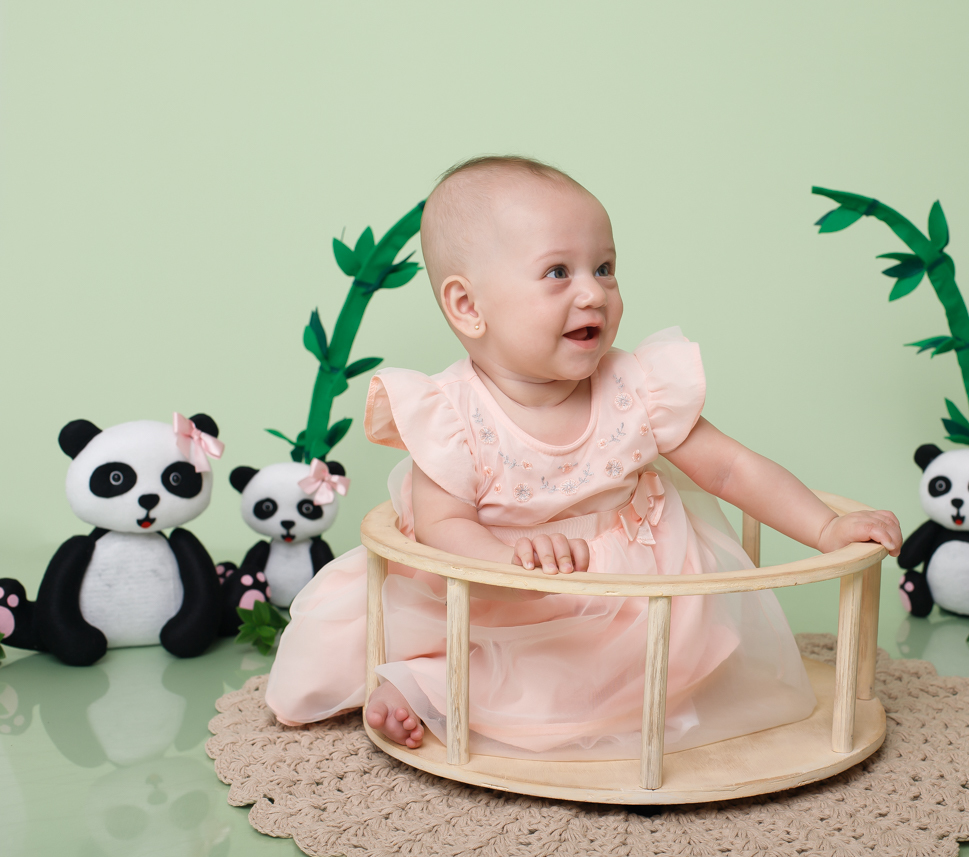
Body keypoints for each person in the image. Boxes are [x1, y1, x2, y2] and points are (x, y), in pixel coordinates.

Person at [264, 156, 902, 760]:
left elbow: (731, 467)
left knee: (654, 667)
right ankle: (424, 683)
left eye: (604, 267)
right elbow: (442, 527)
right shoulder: (451, 416)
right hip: (491, 595)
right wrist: (511, 563)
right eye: (557, 273)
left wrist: (826, 527)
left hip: (626, 596)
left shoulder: (635, 388)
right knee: (479, 652)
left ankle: (465, 692)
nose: (593, 293)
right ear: (468, 306)